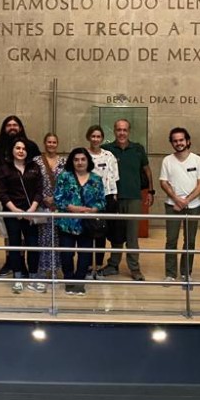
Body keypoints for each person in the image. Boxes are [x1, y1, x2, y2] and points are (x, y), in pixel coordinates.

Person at [102, 119, 153, 281]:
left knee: (132, 235)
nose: (121, 133)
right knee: (116, 234)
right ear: (114, 131)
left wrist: (150, 191)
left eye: (124, 130)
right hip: (113, 198)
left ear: (129, 131)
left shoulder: (138, 149)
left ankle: (134, 268)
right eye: (118, 130)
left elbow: (147, 170)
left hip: (133, 198)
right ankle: (113, 264)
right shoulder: (107, 150)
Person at [54, 148, 105, 296]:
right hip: (67, 222)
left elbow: (102, 201)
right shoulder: (64, 176)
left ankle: (79, 281)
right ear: (72, 161)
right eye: (76, 160)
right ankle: (69, 280)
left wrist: (92, 210)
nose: (80, 162)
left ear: (88, 161)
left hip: (87, 224)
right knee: (66, 254)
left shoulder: (96, 179)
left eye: (83, 159)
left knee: (85, 255)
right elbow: (58, 198)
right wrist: (72, 208)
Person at [159, 127, 200, 283]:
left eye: (181, 140)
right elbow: (163, 182)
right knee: (171, 240)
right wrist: (176, 199)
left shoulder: (198, 160)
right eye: (175, 141)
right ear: (172, 143)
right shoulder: (167, 160)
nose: (178, 143)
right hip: (172, 206)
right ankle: (170, 274)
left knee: (190, 240)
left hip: (193, 206)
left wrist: (186, 200)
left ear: (188, 141)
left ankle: (186, 272)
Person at [0, 139, 43, 293]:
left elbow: (39, 190)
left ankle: (34, 277)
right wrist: (14, 210)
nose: (21, 151)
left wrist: (32, 209)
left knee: (33, 245)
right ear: (12, 150)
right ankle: (17, 277)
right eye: (18, 148)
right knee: (14, 245)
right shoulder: (4, 168)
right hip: (12, 213)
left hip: (30, 212)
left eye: (23, 148)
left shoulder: (34, 167)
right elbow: (1, 192)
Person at [85, 125, 120, 273]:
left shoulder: (109, 155)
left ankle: (98, 265)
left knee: (101, 233)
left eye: (98, 136)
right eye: (93, 136)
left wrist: (114, 196)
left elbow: (114, 177)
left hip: (106, 198)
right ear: (88, 137)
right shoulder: (83, 154)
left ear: (102, 138)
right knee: (87, 232)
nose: (96, 139)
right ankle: (86, 265)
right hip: (87, 199)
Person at [33, 133, 65, 290]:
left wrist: (56, 199)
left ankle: (55, 270)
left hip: (58, 206)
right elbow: (32, 182)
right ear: (44, 143)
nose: (51, 144)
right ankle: (41, 269)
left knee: (57, 238)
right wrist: (43, 197)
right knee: (42, 238)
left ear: (57, 144)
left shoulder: (64, 162)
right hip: (41, 204)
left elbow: (66, 183)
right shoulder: (37, 161)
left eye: (54, 142)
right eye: (48, 142)